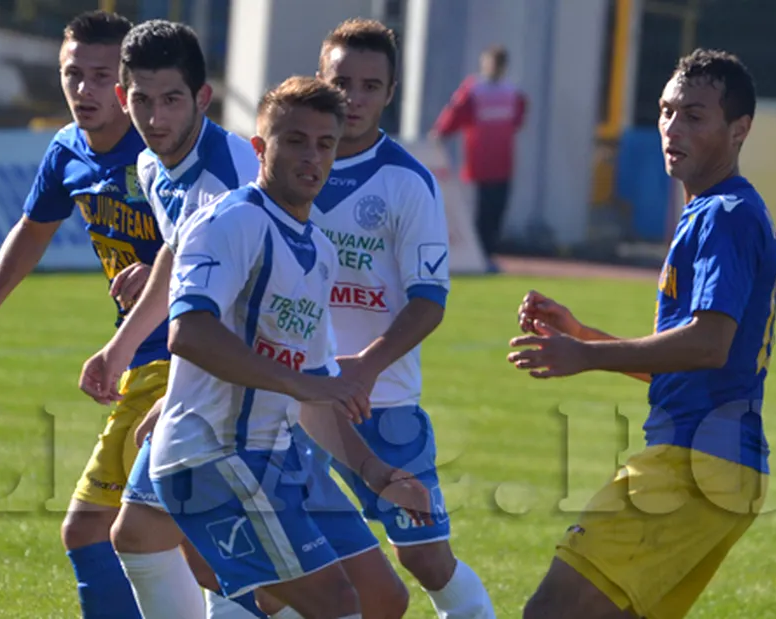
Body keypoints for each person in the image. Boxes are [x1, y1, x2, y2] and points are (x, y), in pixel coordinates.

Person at [78, 20, 414, 619]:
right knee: (335, 602)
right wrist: (303, 385)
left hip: (250, 443)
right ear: (259, 148)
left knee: (139, 538)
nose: (311, 158)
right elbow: (190, 330)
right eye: (294, 142)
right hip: (221, 454)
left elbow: (310, 386)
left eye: (324, 145)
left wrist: (378, 471)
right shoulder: (229, 219)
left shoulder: (317, 248)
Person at [213, 18, 498, 619]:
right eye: (342, 81)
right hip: (287, 401)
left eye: (371, 85)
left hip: (381, 402)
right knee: (274, 571)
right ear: (322, 79)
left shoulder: (407, 182)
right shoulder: (277, 172)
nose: (354, 97)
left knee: (423, 557)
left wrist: (365, 369)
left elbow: (429, 300)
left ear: (390, 93)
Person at [509, 48, 776, 619]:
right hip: (722, 470)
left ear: (740, 130)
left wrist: (583, 354)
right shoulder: (717, 210)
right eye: (665, 111)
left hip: (693, 466)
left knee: (549, 613)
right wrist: (585, 333)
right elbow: (690, 361)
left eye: (694, 115)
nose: (672, 127)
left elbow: (709, 345)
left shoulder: (723, 214)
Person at [0, 11, 156, 619]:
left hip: (183, 358)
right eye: (73, 74)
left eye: (101, 76)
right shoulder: (67, 149)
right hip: (140, 358)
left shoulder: (163, 148)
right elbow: (34, 228)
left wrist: (170, 271)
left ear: (127, 83)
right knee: (148, 535)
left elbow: (219, 236)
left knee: (99, 532)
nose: (84, 90)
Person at [428, 44, 527, 271]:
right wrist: (440, 133)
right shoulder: (475, 90)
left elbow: (519, 118)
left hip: (503, 164)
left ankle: (489, 253)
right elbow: (455, 113)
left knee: (496, 211)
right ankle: (477, 256)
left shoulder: (511, 93)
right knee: (478, 212)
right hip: (478, 165)